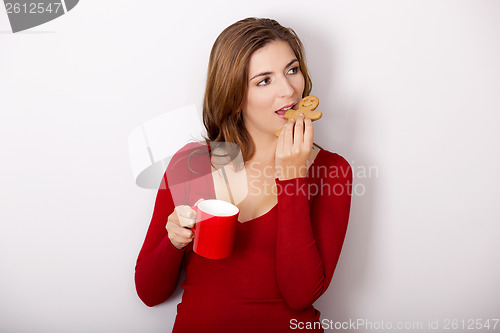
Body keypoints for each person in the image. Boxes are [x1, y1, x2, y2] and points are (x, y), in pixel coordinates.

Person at [134, 17, 352, 333]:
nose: (289, 90)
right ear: (235, 94)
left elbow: (300, 294)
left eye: (292, 70)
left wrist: (292, 178)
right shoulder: (191, 163)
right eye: (264, 80)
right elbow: (149, 294)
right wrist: (172, 241)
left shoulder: (332, 171)